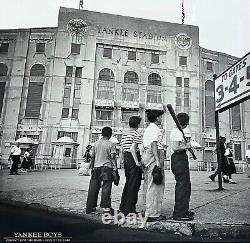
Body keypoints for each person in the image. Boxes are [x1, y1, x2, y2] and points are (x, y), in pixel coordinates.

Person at [86, 127, 118, 215]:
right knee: (106, 188)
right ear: (110, 134)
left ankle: (90, 207)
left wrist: (92, 168)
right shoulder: (111, 144)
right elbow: (113, 158)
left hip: (96, 168)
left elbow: (93, 157)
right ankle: (106, 209)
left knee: (93, 188)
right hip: (107, 168)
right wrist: (115, 168)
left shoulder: (95, 144)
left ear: (102, 134)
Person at [141, 110, 166, 222]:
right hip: (153, 155)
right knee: (156, 185)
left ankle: (147, 209)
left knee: (149, 183)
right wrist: (157, 161)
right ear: (157, 118)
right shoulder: (155, 129)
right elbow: (153, 144)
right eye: (160, 117)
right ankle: (152, 213)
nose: (161, 119)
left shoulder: (148, 128)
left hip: (147, 154)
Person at [170, 112, 194, 221]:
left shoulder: (179, 131)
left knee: (186, 186)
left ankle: (184, 210)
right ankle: (179, 213)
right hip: (178, 159)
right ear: (186, 122)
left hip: (181, 158)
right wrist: (186, 146)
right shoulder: (176, 132)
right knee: (182, 186)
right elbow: (175, 147)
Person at [119, 116, 142, 216]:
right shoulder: (136, 134)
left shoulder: (124, 134)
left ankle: (123, 207)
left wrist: (122, 160)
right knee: (134, 184)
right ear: (137, 124)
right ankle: (130, 209)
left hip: (127, 158)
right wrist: (137, 162)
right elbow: (133, 149)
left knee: (128, 183)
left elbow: (121, 149)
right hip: (133, 158)